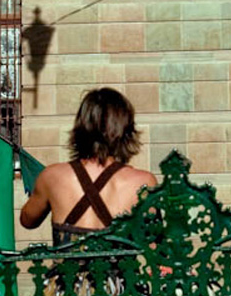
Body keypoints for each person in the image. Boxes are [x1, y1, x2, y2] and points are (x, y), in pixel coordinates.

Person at [20, 88, 158, 243]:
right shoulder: (143, 182)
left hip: (65, 268)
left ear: (81, 125)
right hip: (121, 267)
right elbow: (154, 242)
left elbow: (27, 220)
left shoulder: (51, 176)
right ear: (125, 129)